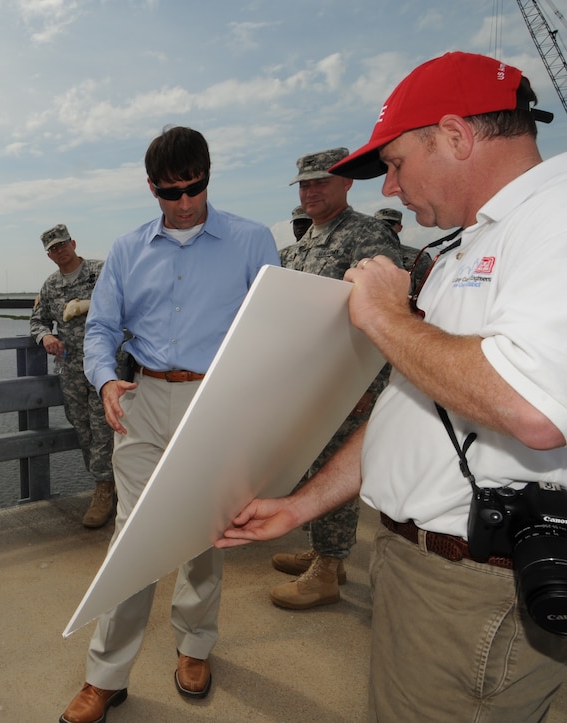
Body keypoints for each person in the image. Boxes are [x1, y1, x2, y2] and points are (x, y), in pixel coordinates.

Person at [218, 51, 567, 720]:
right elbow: (418, 406)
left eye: (398, 164)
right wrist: (301, 504)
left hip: (474, 593)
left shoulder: (553, 219)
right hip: (434, 572)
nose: (389, 188)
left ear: (457, 135)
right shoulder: (472, 242)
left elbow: (532, 406)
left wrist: (381, 314)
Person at [59, 126, 280, 723]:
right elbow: (102, 328)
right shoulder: (128, 250)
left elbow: (272, 331)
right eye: (170, 192)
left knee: (207, 535)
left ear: (210, 174)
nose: (184, 203)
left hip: (217, 404)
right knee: (133, 537)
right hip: (144, 398)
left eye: (196, 187)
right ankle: (105, 676)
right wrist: (106, 380)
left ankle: (194, 645)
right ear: (151, 188)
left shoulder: (253, 241)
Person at [269, 149, 402, 610]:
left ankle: (326, 571)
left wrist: (368, 387)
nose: (310, 191)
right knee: (312, 465)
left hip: (349, 383)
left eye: (320, 182)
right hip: (311, 383)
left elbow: (386, 316)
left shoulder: (368, 235)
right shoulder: (307, 242)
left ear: (346, 183)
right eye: (304, 185)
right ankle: (328, 552)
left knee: (332, 467)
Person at [30, 224, 115, 528]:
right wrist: (45, 338)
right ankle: (105, 484)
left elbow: (127, 301)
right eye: (53, 248)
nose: (59, 250)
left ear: (73, 243)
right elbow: (37, 322)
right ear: (49, 255)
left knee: (104, 425)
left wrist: (87, 305)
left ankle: (106, 489)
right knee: (82, 427)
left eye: (63, 244)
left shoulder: (100, 271)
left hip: (106, 364)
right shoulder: (50, 286)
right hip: (71, 369)